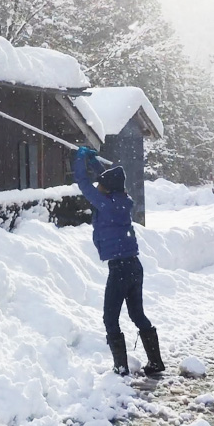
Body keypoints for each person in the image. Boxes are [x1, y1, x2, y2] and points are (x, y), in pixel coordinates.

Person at [74, 145, 165, 378]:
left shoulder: (106, 203)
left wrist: (79, 160)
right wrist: (93, 162)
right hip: (134, 266)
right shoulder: (120, 199)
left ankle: (121, 368)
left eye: (101, 185)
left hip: (120, 269)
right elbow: (105, 179)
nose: (98, 186)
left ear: (107, 189)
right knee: (137, 315)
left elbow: (84, 185)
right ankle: (155, 362)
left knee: (110, 317)